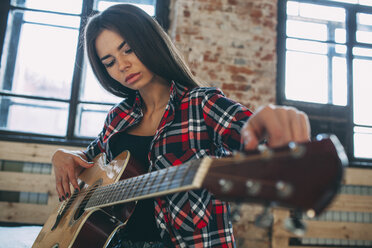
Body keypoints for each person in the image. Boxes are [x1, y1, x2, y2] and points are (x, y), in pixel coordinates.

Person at [52, 4, 310, 248]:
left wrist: (271, 126)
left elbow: (255, 135)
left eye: (128, 49)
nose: (122, 65)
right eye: (109, 62)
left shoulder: (202, 105)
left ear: (148, 41)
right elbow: (90, 158)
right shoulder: (117, 117)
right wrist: (64, 156)